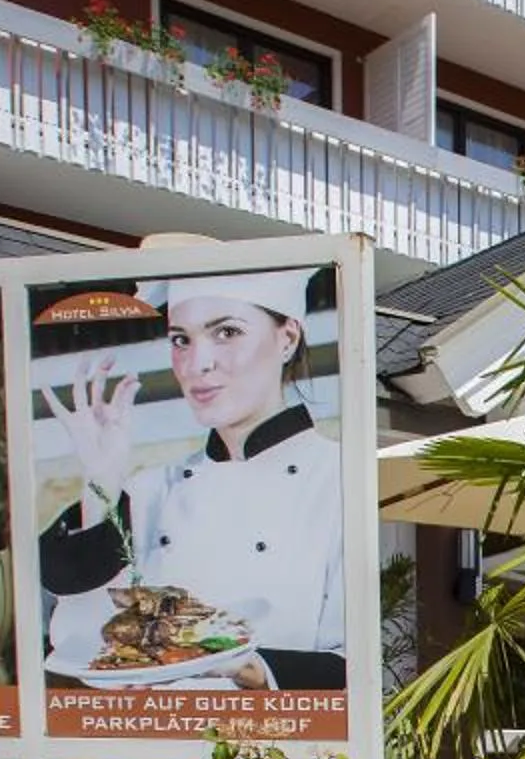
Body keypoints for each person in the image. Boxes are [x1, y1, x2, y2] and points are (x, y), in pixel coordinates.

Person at [36, 269, 345, 689]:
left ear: (287, 338)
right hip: (158, 743)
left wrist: (245, 667)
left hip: (274, 746)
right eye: (181, 340)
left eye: (227, 332)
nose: (198, 364)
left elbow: (355, 664)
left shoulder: (340, 479)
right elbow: (79, 640)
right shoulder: (149, 489)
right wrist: (101, 477)